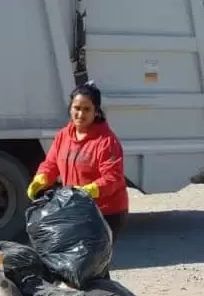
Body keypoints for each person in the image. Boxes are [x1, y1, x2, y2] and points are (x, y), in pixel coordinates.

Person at [27, 82, 129, 240]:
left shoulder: (106, 141)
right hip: (76, 208)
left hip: (104, 213)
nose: (80, 114)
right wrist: (42, 178)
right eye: (77, 108)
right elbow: (51, 163)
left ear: (96, 112)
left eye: (87, 109)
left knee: (90, 261)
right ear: (70, 108)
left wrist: (89, 191)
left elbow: (113, 178)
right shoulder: (64, 135)